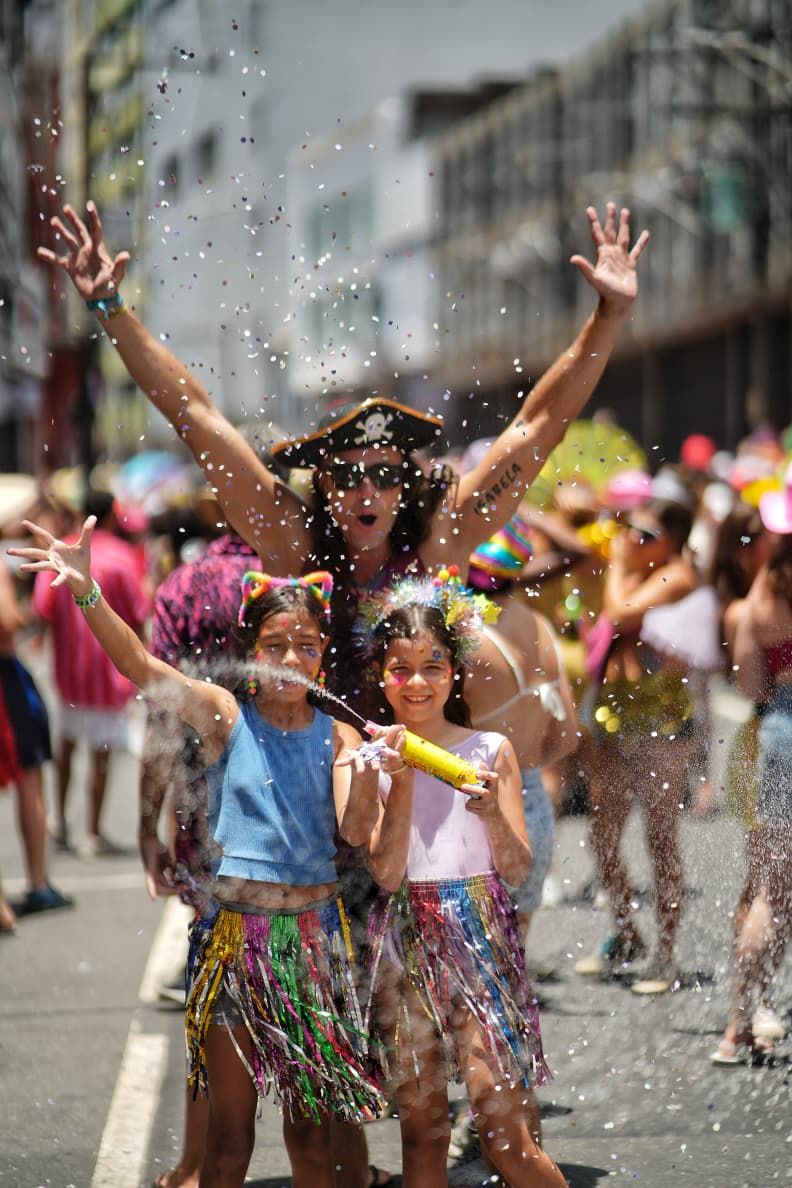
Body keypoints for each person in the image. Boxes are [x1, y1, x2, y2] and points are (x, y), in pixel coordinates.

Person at [11, 516, 400, 1188]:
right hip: (235, 945)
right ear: (250, 650)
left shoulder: (339, 735)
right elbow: (140, 666)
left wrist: (371, 777)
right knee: (227, 1143)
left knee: (311, 1138)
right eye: (273, 645)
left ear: (322, 653)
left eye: (305, 647)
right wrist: (86, 590)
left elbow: (358, 831)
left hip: (311, 947)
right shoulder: (224, 713)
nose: (288, 660)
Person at [362, 571, 567, 1188]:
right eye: (401, 668)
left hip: (479, 934)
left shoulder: (491, 749)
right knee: (423, 1135)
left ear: (455, 672)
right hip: (406, 945)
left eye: (433, 665)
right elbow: (387, 871)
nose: (417, 682)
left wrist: (491, 819)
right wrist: (397, 781)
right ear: (381, 676)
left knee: (505, 1135)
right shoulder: (374, 756)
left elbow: (518, 868)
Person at [574, 498, 697, 995]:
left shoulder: (679, 576)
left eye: (646, 534)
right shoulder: (635, 572)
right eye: (631, 532)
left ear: (672, 541)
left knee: (659, 837)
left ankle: (664, 955)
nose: (632, 541)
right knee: (601, 833)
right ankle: (625, 933)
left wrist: (620, 565)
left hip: (663, 724)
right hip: (615, 715)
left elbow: (620, 613)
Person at [711, 480, 792, 1063]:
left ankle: (739, 1022)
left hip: (780, 734)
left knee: (769, 889)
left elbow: (748, 685)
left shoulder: (760, 597)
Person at [32, 488, 150, 857]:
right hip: (109, 673)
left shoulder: (60, 552)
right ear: (113, 516)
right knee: (101, 753)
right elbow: (139, 613)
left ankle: (60, 821)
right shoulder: (123, 558)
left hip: (69, 672)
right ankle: (92, 833)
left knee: (66, 746)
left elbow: (41, 608)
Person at [0, 553, 73, 915]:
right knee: (30, 776)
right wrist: (27, 614)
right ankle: (38, 883)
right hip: (4, 680)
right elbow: (7, 623)